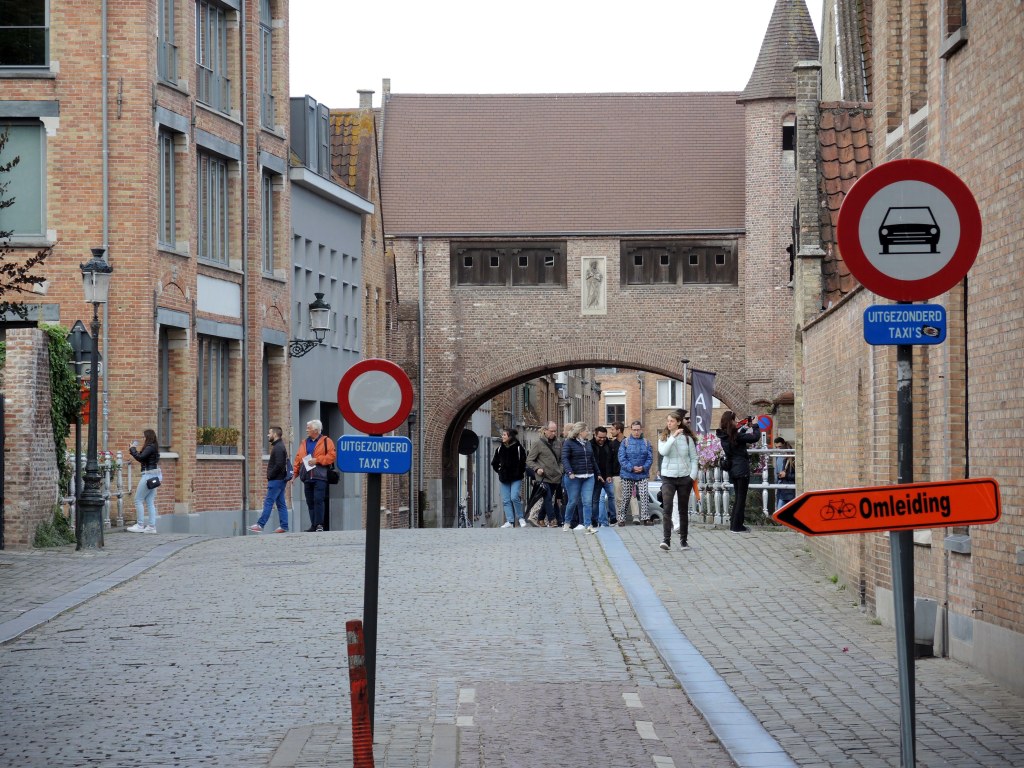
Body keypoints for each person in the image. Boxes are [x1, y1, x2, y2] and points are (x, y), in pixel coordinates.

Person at [657, 409, 698, 550]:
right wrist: (672, 437)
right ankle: (666, 540)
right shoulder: (663, 437)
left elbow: (694, 458)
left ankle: (683, 540)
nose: (669, 423)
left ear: (678, 422)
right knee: (667, 508)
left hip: (684, 478)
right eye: (668, 421)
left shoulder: (688, 439)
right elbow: (663, 452)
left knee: (683, 510)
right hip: (668, 476)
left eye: (672, 421)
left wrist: (692, 476)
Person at [717, 411, 761, 532]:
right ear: (730, 421)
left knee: (738, 497)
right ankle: (737, 526)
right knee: (741, 498)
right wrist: (756, 425)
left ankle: (734, 525)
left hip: (733, 469)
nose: (736, 422)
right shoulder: (735, 436)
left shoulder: (725, 436)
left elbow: (734, 441)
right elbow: (755, 438)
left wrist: (743, 429)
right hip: (741, 469)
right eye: (734, 420)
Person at [293, 419, 336, 532]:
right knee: (310, 501)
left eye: (309, 428)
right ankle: (313, 525)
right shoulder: (304, 442)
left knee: (318, 500)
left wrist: (317, 460)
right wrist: (294, 474)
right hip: (307, 477)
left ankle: (319, 525)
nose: (306, 430)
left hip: (320, 476)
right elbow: (298, 459)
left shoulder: (327, 441)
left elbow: (332, 456)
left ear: (316, 430)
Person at [251, 426, 289, 533]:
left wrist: (270, 475)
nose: (268, 435)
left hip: (276, 480)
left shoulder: (278, 448)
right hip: (280, 480)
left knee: (268, 502)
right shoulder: (280, 446)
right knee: (281, 503)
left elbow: (279, 464)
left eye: (269, 433)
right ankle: (284, 526)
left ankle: (260, 524)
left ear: (275, 434)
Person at [561, 422, 598, 531]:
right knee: (573, 501)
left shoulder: (587, 443)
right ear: (580, 432)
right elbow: (564, 458)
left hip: (589, 476)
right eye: (586, 431)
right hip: (574, 477)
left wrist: (598, 473)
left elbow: (592, 459)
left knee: (587, 501)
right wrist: (569, 472)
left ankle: (588, 525)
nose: (588, 433)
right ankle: (567, 521)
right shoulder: (568, 443)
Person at [526, 421, 563, 527]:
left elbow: (560, 460)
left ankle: (540, 518)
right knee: (547, 497)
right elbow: (529, 460)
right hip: (543, 477)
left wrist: (560, 470)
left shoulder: (558, 443)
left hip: (555, 477)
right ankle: (552, 520)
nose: (553, 433)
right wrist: (537, 469)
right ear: (545, 431)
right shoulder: (538, 443)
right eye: (551, 431)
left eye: (555, 431)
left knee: (549, 497)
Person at [617, 420, 654, 526]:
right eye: (634, 430)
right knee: (626, 496)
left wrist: (643, 468)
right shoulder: (625, 442)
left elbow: (650, 458)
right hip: (627, 473)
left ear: (641, 430)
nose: (636, 432)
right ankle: (621, 518)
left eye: (638, 430)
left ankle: (646, 518)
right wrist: (631, 468)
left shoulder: (646, 442)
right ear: (631, 430)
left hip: (642, 473)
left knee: (644, 496)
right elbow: (621, 458)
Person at [491, 428, 528, 528]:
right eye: (502, 435)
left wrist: (519, 471)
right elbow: (494, 463)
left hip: (516, 477)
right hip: (504, 478)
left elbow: (524, 462)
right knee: (506, 500)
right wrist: (500, 471)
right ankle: (510, 521)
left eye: (504, 435)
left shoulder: (519, 448)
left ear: (510, 437)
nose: (502, 437)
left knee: (514, 497)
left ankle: (520, 518)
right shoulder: (499, 449)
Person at [126, 429, 161, 533]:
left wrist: (132, 449)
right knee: (150, 502)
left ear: (148, 437)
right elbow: (145, 458)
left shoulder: (150, 447)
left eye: (143, 437)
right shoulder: (154, 447)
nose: (143, 438)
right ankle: (151, 526)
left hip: (148, 475)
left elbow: (141, 457)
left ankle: (140, 525)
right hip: (154, 475)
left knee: (138, 500)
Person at [590, 426, 616, 528]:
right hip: (596, 477)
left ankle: (613, 518)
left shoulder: (609, 444)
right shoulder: (590, 445)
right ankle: (595, 520)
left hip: (607, 476)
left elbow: (611, 461)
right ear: (595, 435)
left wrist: (610, 474)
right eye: (600, 437)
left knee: (612, 496)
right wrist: (596, 475)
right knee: (596, 499)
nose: (602, 440)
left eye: (604, 437)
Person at [607, 421, 625, 524]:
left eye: (612, 429)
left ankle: (634, 517)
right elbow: (608, 460)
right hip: (616, 475)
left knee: (631, 497)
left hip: (628, 475)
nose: (611, 431)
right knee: (618, 498)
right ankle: (620, 519)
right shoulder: (612, 444)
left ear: (619, 430)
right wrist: (609, 475)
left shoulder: (628, 442)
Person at [774, 436, 796, 511]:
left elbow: (797, 476)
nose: (778, 449)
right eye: (776, 447)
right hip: (781, 489)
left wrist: (785, 475)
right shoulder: (779, 457)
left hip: (789, 491)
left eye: (780, 447)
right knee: (779, 512)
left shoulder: (792, 459)